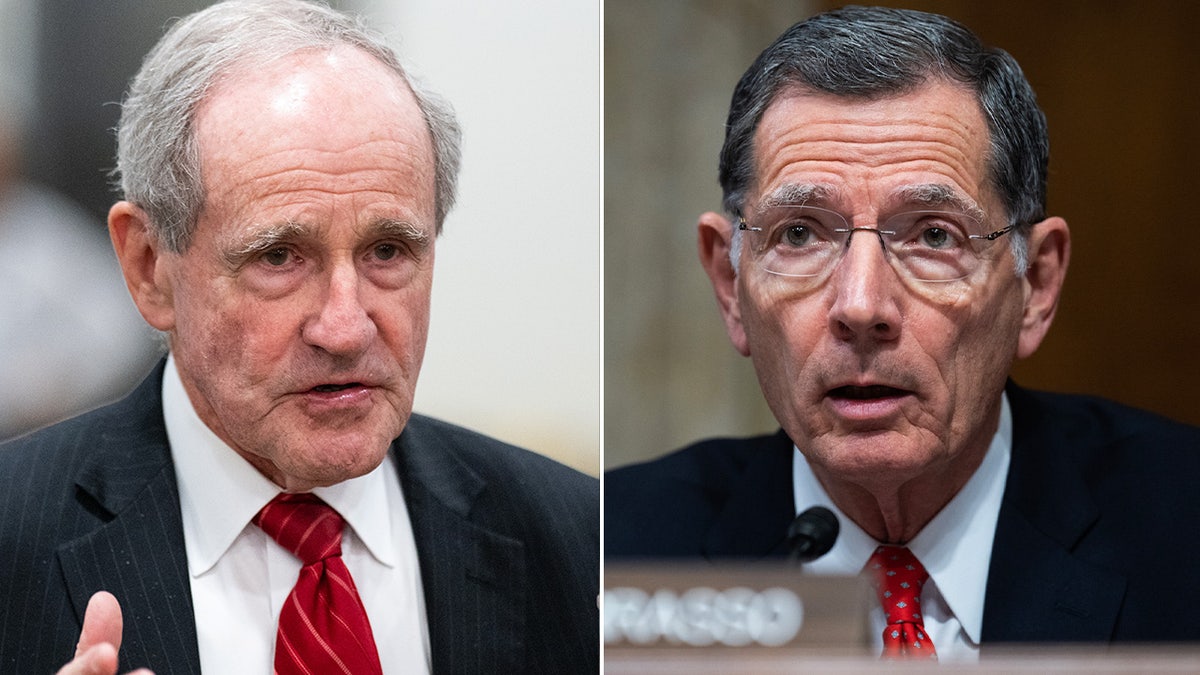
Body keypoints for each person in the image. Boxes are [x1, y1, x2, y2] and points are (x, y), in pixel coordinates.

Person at [0, 2, 598, 674]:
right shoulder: (11, 536)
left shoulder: (583, 540)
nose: (345, 328)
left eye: (388, 250)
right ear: (149, 267)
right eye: (279, 257)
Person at [606, 4, 1200, 661]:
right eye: (799, 232)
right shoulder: (615, 551)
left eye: (933, 234)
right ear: (730, 283)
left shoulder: (1181, 529)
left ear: (1036, 285)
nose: (861, 305)